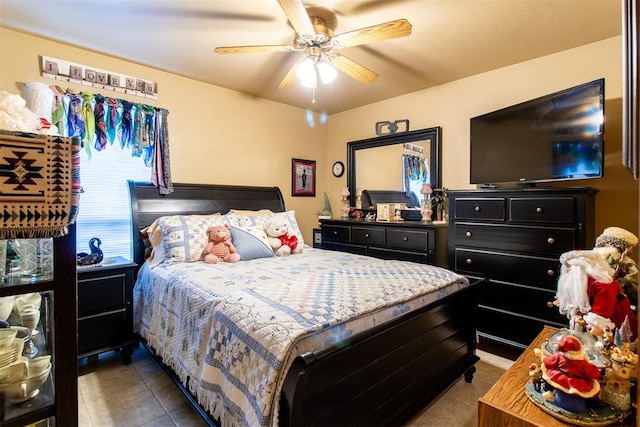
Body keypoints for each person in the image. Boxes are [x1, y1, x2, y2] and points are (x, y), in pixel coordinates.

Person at [556, 245, 637, 342]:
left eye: (570, 270)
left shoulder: (600, 284)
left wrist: (597, 324)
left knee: (616, 341)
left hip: (614, 315)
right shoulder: (582, 283)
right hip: (594, 316)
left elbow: (603, 308)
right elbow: (582, 297)